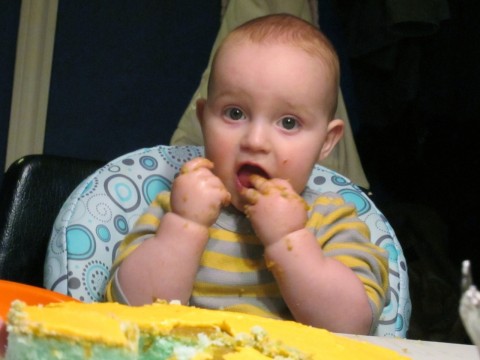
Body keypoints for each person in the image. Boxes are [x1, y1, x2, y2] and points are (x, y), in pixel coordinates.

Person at [105, 14, 389, 335]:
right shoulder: (176, 208)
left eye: (289, 123)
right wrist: (185, 227)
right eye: (234, 113)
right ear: (204, 119)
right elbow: (128, 312)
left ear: (326, 142)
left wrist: (289, 240)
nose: (255, 141)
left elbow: (354, 327)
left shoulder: (332, 222)